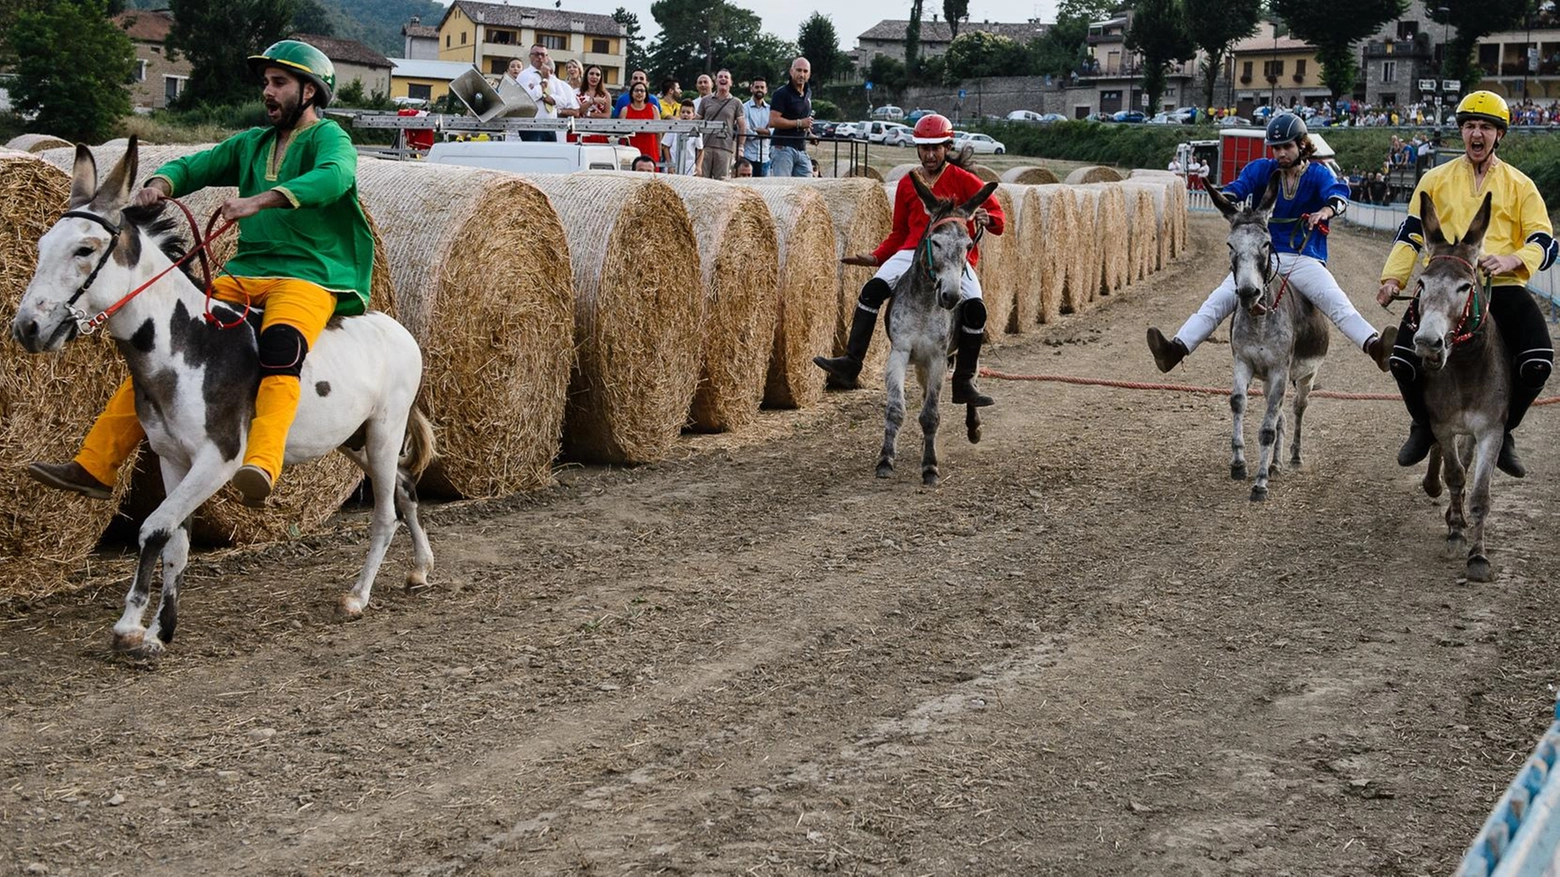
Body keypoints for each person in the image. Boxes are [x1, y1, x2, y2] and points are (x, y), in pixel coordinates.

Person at [28, 40, 374, 506]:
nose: (267, 92)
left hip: (310, 274)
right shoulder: (253, 143)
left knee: (281, 348)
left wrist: (259, 199)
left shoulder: (330, 139)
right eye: (265, 83)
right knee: (169, 346)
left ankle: (262, 462)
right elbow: (197, 165)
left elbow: (335, 176)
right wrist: (160, 183)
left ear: (309, 91)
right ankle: (94, 463)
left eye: (279, 83)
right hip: (248, 270)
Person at [1376, 90, 1556, 477]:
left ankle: (1505, 430)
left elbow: (1545, 241)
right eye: (1470, 126)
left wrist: (1512, 258)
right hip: (1442, 283)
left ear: (1499, 135)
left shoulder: (1520, 185)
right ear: (1462, 132)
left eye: (1486, 127)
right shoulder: (1434, 180)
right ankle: (1424, 426)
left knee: (1539, 362)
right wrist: (1394, 277)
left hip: (1501, 284)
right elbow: (1410, 234)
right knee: (1404, 360)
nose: (1477, 134)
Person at [1146, 113, 1393, 375]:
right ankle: (1175, 350)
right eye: (1276, 147)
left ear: (1302, 145)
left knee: (1335, 301)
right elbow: (1238, 188)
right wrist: (1225, 197)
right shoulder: (1260, 169)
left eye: (1287, 146)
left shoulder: (1318, 174)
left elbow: (1339, 195)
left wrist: (1325, 212)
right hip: (1261, 259)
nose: (1281, 153)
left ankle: (1374, 346)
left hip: (1303, 257)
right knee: (1218, 300)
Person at [812, 113, 1004, 406]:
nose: (929, 154)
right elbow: (900, 232)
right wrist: (876, 256)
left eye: (936, 148)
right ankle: (852, 362)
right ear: (917, 148)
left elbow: (999, 221)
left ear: (947, 146)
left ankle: (964, 381)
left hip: (951, 257)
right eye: (924, 148)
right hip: (910, 253)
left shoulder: (964, 180)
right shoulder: (907, 183)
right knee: (872, 290)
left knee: (975, 308)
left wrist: (987, 217)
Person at [769, 57, 814, 178]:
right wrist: (799, 123)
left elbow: (804, 120)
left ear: (809, 74)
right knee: (783, 189)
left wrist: (810, 134)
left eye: (805, 71)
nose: (801, 74)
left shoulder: (808, 93)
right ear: (791, 71)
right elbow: (773, 120)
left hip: (801, 148)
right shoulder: (781, 93)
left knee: (807, 189)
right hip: (782, 148)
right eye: (798, 70)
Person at [697, 69, 745, 180]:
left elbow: (742, 126)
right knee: (702, 180)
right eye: (720, 77)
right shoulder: (705, 100)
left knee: (721, 181)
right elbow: (697, 121)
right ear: (716, 81)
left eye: (726, 77)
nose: (723, 79)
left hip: (725, 148)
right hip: (705, 146)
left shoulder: (736, 102)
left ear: (731, 82)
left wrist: (740, 147)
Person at [525, 59, 578, 142]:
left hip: (557, 131)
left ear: (550, 70)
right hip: (534, 128)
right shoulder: (533, 82)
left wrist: (544, 97)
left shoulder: (564, 86)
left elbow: (575, 111)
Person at [621, 80, 660, 166]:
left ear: (646, 93)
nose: (639, 93)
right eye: (636, 90)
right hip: (631, 149)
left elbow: (658, 133)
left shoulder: (653, 109)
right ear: (631, 93)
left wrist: (659, 150)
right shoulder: (625, 110)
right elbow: (621, 135)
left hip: (650, 148)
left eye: (642, 91)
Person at [742, 75, 771, 176]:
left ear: (766, 90)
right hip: (748, 157)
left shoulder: (770, 110)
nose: (760, 90)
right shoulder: (744, 108)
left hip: (765, 158)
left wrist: (758, 130)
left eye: (762, 87)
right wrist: (765, 132)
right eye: (757, 87)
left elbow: (773, 131)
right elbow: (746, 131)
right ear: (751, 88)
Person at [663, 99, 702, 175]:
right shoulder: (673, 127)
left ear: (693, 115)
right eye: (683, 112)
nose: (685, 114)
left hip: (689, 167)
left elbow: (700, 149)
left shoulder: (696, 130)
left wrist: (698, 166)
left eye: (688, 112)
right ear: (679, 113)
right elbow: (665, 146)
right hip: (673, 165)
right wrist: (669, 164)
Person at [577, 64, 613, 144]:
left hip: (598, 133)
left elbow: (607, 115)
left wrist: (590, 114)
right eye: (591, 73)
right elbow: (577, 111)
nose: (594, 77)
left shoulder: (606, 95)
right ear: (586, 75)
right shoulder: (577, 93)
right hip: (580, 131)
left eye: (598, 74)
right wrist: (592, 101)